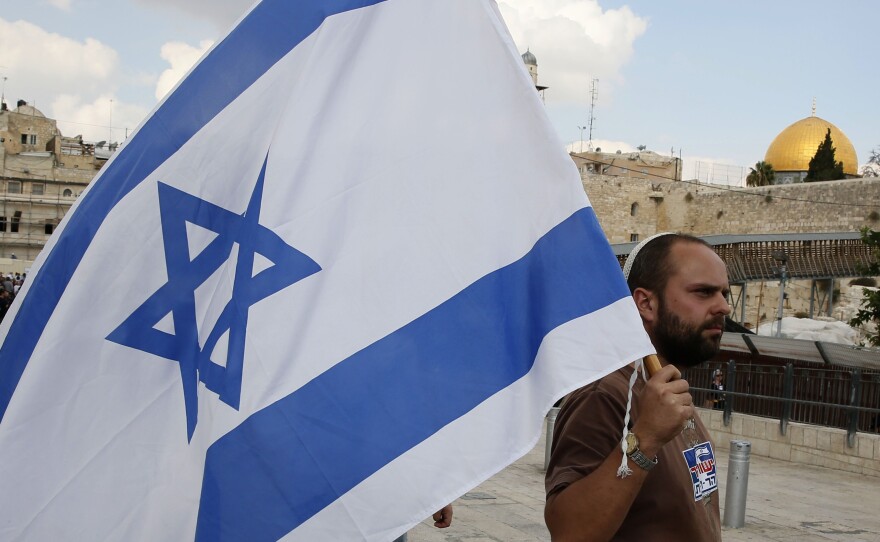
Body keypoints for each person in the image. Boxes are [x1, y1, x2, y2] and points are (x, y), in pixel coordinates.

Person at [545, 232, 730, 541]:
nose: (723, 306)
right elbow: (569, 532)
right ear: (646, 303)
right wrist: (644, 438)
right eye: (703, 292)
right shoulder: (605, 395)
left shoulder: (665, 388)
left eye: (725, 293)